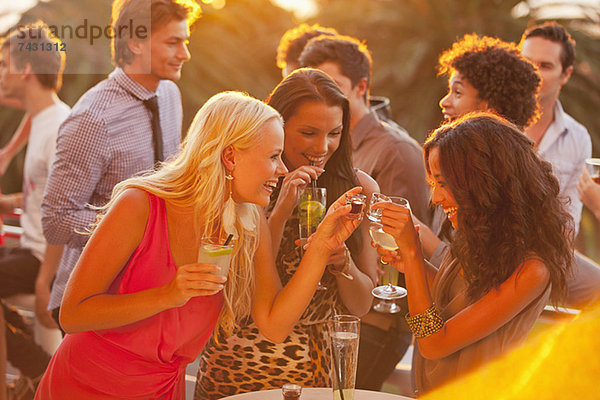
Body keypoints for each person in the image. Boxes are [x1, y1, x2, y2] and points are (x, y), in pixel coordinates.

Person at [34, 91, 362, 399]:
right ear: (230, 157)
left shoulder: (249, 220)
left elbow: (274, 326)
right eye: (274, 156)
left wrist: (322, 247)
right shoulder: (140, 205)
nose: (283, 169)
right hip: (87, 383)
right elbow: (73, 314)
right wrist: (168, 295)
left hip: (163, 389)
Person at [194, 68, 379, 399]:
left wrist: (342, 264)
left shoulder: (357, 189)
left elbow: (363, 306)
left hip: (319, 370)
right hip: (242, 364)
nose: (323, 147)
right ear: (276, 125)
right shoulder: (247, 185)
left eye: (335, 132)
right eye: (308, 132)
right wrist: (279, 213)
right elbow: (243, 292)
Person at [374, 113, 573, 394]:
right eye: (433, 184)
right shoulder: (475, 236)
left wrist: (414, 254)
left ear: (484, 181)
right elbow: (454, 300)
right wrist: (411, 263)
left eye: (444, 183)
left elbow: (435, 343)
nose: (436, 199)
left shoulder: (532, 270)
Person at [40, 0, 199, 329]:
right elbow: (55, 221)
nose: (185, 54)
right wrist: (137, 227)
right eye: (172, 42)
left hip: (148, 290)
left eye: (186, 41)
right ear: (136, 42)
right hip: (91, 297)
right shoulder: (92, 119)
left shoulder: (169, 94)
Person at [300, 33, 430, 391]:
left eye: (333, 85)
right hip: (329, 314)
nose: (320, 94)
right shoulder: (314, 149)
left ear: (361, 87)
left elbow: (399, 240)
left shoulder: (395, 150)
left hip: (376, 322)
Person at [420, 33, 541, 266]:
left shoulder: (507, 181)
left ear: (490, 108)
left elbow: (481, 274)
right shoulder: (454, 160)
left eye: (458, 92)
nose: (444, 102)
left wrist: (418, 236)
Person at [0, 22, 70, 397]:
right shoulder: (44, 116)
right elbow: (40, 193)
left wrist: (46, 282)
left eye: (3, 62)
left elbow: (63, 210)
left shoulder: (59, 128)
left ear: (25, 71)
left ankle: (42, 371)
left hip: (46, 257)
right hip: (30, 249)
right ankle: (34, 366)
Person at [520, 22, 600, 307]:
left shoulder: (578, 137)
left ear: (565, 74)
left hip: (548, 251)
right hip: (494, 245)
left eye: (544, 66)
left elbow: (569, 221)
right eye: (526, 62)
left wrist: (549, 263)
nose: (532, 73)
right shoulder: (492, 120)